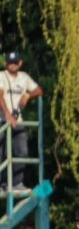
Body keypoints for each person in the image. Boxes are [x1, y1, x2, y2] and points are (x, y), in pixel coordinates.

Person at [0, 51, 43, 192]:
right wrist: (8, 116)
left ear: (20, 63)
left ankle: (16, 183)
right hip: (2, 120)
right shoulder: (1, 76)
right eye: (10, 62)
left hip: (18, 121)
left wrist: (28, 95)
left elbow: (39, 90)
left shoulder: (24, 77)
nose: (12, 65)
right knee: (2, 153)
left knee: (22, 152)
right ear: (5, 63)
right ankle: (2, 184)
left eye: (15, 62)